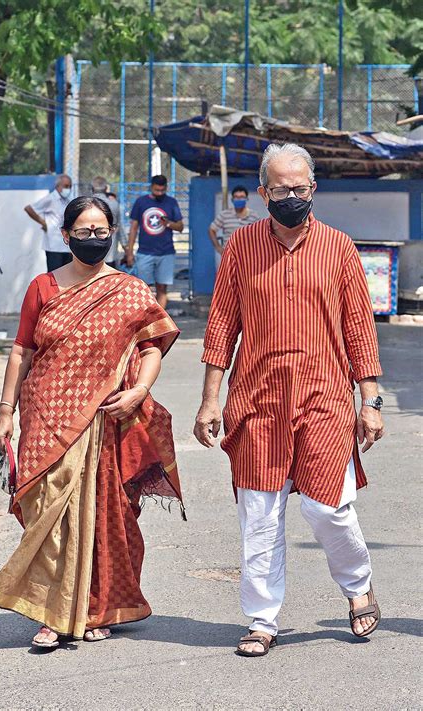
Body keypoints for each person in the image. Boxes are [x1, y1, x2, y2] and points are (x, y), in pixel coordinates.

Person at [194, 143, 384, 658]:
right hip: (256, 401)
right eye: (281, 190)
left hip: (324, 398)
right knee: (259, 513)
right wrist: (211, 400)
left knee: (330, 510)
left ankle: (358, 584)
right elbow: (220, 329)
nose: (292, 197)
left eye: (300, 188)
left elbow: (359, 330)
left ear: (313, 189)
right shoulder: (241, 248)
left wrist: (370, 400)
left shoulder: (340, 248)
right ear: (263, 193)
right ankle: (262, 619)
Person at [0, 196, 185, 649]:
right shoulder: (43, 287)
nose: (93, 239)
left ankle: (96, 606)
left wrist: (138, 391)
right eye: (84, 231)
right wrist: (5, 412)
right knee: (47, 513)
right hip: (45, 416)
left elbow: (152, 346)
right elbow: (22, 350)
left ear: (113, 233)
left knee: (102, 513)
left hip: (103, 420)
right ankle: (53, 610)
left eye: (101, 232)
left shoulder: (130, 290)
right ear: (65, 236)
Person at [125, 175, 183, 309]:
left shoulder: (171, 202)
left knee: (162, 288)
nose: (160, 193)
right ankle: (147, 318)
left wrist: (168, 224)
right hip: (145, 252)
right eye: (157, 190)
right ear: (151, 187)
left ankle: (160, 320)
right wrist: (129, 252)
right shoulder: (141, 202)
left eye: (162, 190)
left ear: (166, 188)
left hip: (166, 252)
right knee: (144, 289)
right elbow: (134, 228)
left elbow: (180, 227)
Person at [24, 174, 73, 272]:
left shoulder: (67, 200)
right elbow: (29, 208)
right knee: (54, 277)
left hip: (66, 245)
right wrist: (43, 223)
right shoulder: (50, 198)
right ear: (58, 186)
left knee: (67, 277)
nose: (68, 189)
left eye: (70, 186)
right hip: (53, 245)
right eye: (66, 186)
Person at [208, 185, 260, 270]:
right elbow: (212, 230)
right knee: (228, 282)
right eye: (236, 197)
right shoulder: (224, 215)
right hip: (228, 257)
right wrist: (218, 248)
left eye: (242, 197)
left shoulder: (254, 216)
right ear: (232, 199)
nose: (239, 199)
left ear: (246, 199)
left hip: (248, 258)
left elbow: (259, 235)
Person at [91, 175, 127, 267]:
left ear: (92, 188)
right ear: (106, 188)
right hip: (110, 254)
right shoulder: (114, 204)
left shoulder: (85, 205)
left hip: (90, 255)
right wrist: (126, 248)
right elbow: (120, 228)